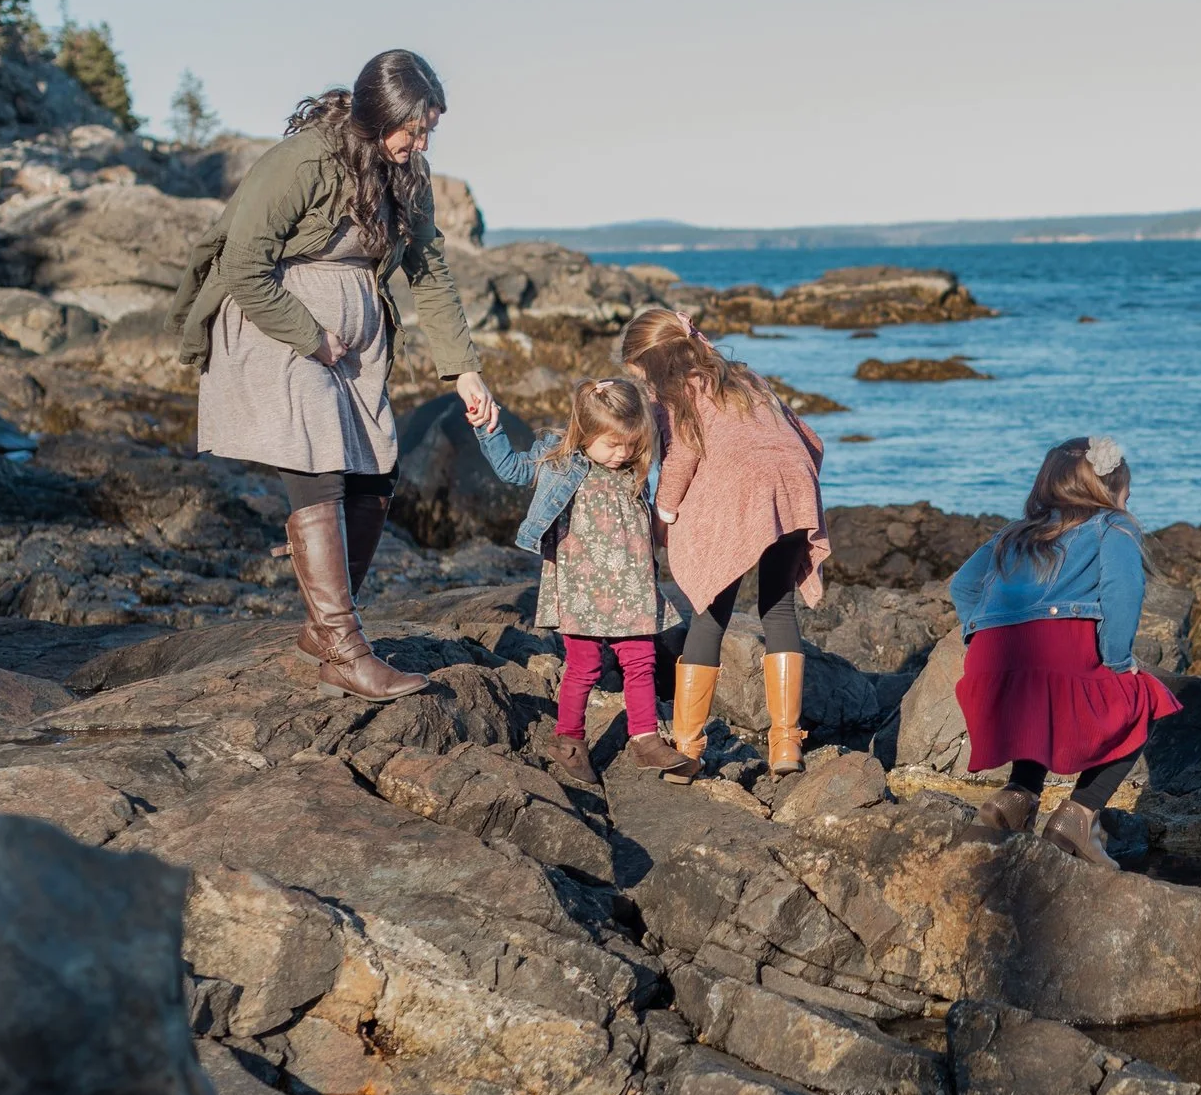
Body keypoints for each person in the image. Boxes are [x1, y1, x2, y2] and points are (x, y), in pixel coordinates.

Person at [170, 49, 492, 701]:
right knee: (319, 461)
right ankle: (345, 648)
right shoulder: (301, 162)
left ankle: (325, 631)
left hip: (354, 344)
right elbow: (243, 265)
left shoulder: (409, 173)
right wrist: (310, 335)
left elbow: (429, 271)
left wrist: (464, 369)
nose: (421, 144)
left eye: (428, 131)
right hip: (274, 323)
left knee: (376, 471)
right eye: (413, 130)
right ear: (378, 115)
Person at [948, 435, 1181, 867]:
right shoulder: (1113, 526)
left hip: (989, 663)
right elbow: (1122, 592)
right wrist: (1118, 661)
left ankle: (1017, 796)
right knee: (1145, 698)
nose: (1129, 500)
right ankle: (1080, 814)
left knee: (1041, 702)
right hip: (1058, 650)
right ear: (1109, 490)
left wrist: (979, 633)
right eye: (1127, 491)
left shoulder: (1012, 533)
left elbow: (962, 585)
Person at [618, 308, 832, 774]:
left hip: (743, 492)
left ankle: (687, 747)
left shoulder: (672, 392)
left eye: (637, 373)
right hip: (793, 482)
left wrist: (664, 516)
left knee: (710, 611)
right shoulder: (745, 377)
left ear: (648, 363)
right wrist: (789, 483)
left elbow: (681, 457)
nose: (641, 383)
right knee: (778, 608)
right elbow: (810, 439)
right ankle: (785, 744)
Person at [476, 378, 673, 785]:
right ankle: (569, 740)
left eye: (631, 444)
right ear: (586, 432)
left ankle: (646, 740)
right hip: (581, 587)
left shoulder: (634, 469)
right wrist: (488, 428)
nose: (623, 454)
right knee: (584, 665)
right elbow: (512, 469)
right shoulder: (563, 463)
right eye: (613, 445)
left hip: (632, 585)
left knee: (641, 660)